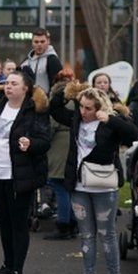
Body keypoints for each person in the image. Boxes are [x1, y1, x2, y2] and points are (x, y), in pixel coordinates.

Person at [51, 86, 137, 274]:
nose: (83, 111)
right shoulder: (75, 120)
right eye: (81, 106)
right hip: (79, 186)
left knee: (106, 234)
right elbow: (54, 108)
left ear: (99, 108)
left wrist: (110, 119)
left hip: (104, 186)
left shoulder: (111, 122)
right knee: (87, 235)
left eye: (88, 108)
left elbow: (132, 134)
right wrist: (67, 89)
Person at [0, 69, 51, 274]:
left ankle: (18, 271)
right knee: (5, 223)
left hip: (19, 176)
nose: (8, 86)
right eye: (6, 83)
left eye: (13, 83)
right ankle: (7, 265)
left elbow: (45, 141)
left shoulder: (34, 110)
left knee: (18, 224)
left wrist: (30, 144)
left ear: (25, 88)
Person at [43, 68, 79, 241]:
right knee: (69, 188)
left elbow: (52, 126)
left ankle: (63, 225)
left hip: (59, 146)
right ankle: (72, 224)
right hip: (72, 144)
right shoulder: (76, 98)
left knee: (60, 187)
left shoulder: (58, 100)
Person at [21, 28, 62, 94]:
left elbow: (59, 87)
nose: (39, 44)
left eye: (42, 41)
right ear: (32, 42)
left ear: (48, 41)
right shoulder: (26, 61)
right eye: (36, 42)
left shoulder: (52, 60)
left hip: (46, 102)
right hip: (27, 101)